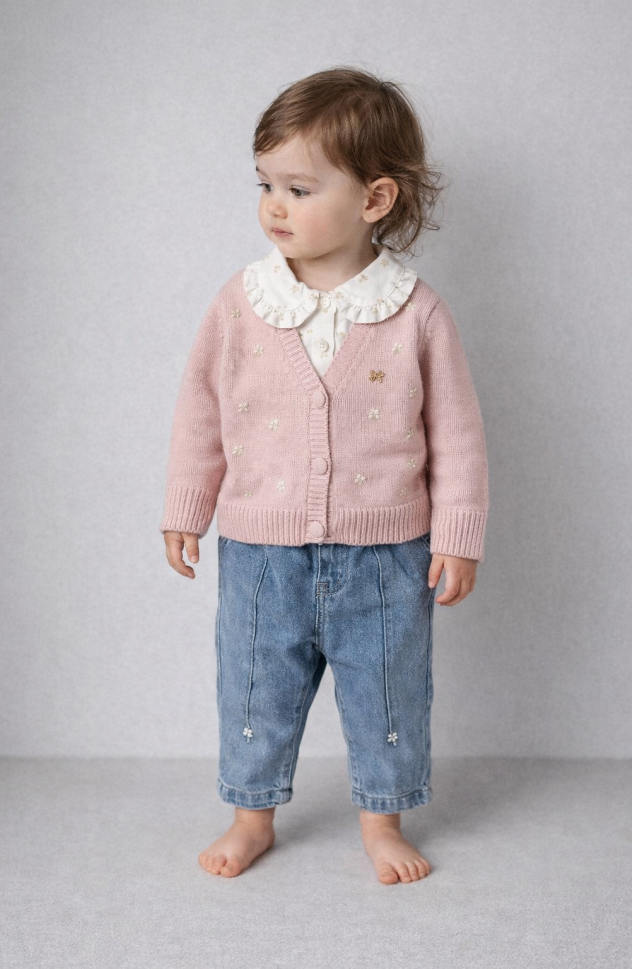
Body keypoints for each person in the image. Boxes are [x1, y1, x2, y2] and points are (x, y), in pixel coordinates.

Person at [159, 66, 489, 885]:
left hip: (386, 556)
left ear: (374, 199)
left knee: (388, 692)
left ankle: (384, 821)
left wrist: (458, 536)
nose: (274, 205)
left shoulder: (415, 311)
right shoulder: (243, 303)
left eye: (299, 189)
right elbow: (201, 411)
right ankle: (251, 815)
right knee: (253, 688)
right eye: (265, 183)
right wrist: (187, 506)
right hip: (261, 552)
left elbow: (457, 434)